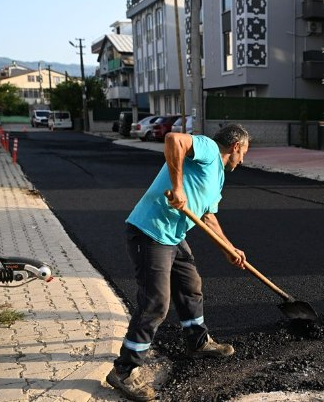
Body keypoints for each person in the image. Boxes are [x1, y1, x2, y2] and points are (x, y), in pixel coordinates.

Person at [107, 123, 251, 401]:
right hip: (150, 233)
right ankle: (124, 370)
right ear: (235, 147)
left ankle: (197, 341)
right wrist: (177, 186)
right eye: (244, 153)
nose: (243, 160)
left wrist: (229, 249)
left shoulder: (217, 177)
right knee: (155, 302)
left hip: (173, 236)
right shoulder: (209, 149)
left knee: (190, 285)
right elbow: (174, 140)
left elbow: (208, 217)